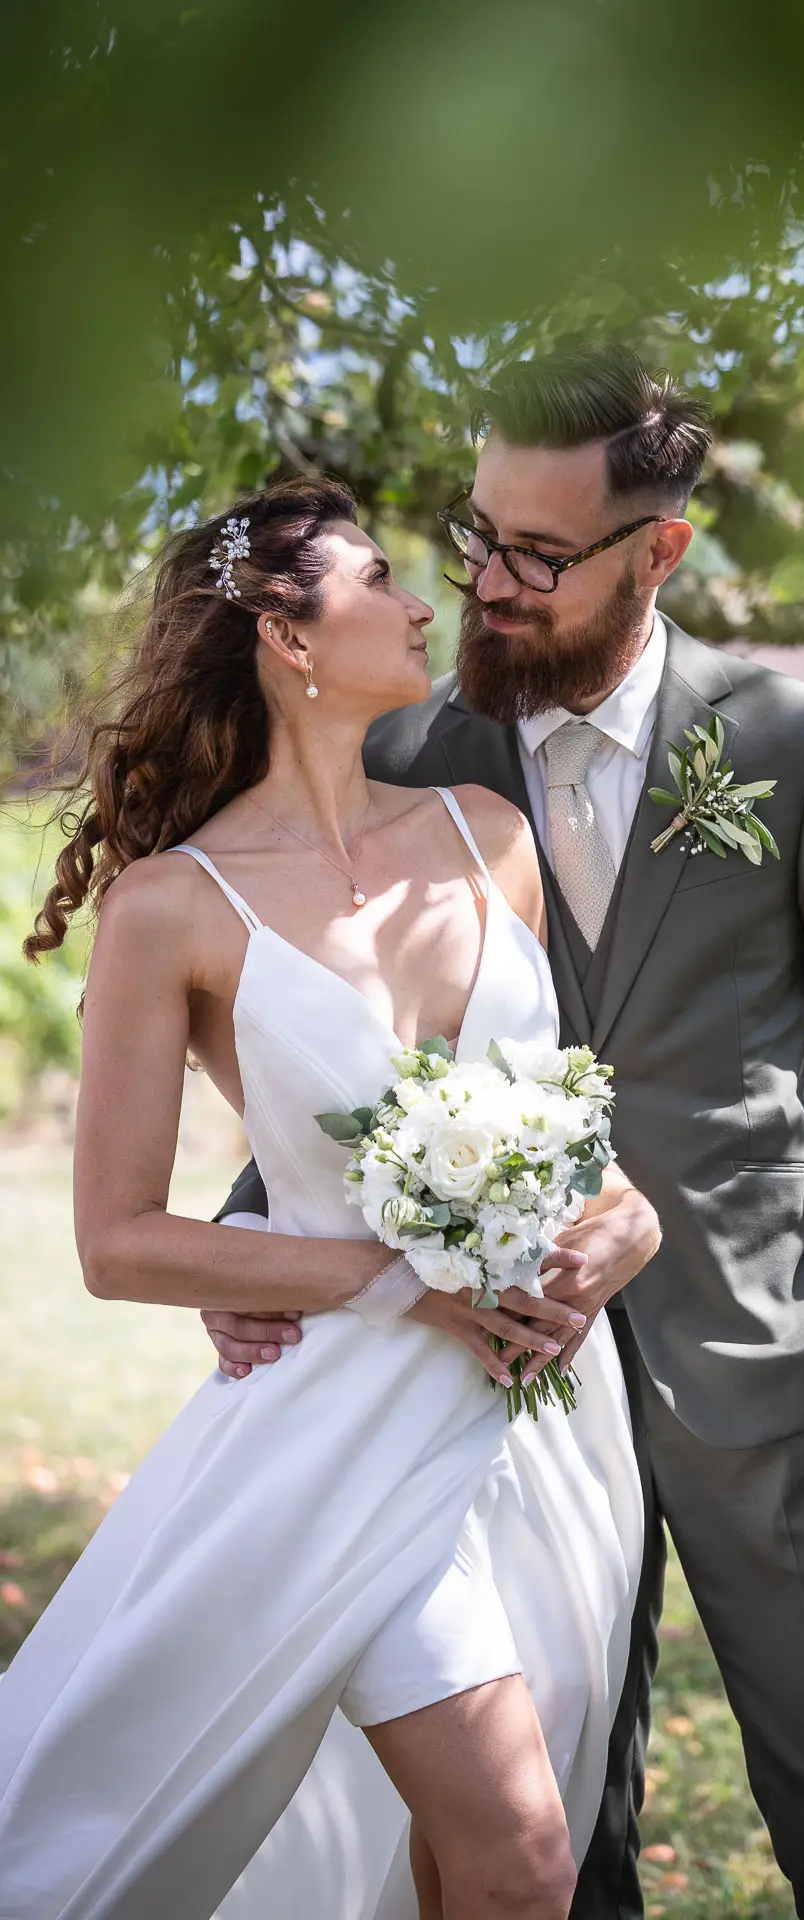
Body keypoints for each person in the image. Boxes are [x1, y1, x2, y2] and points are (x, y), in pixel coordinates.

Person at [208, 347, 804, 1920]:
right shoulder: (413, 757)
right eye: (478, 534)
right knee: (570, 1821)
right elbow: (358, 1047)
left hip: (775, 1348)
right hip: (498, 1377)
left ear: (661, 552)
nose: (490, 585)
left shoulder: (788, 743)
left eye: (542, 557)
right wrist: (256, 1234)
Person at [0, 475, 661, 1920]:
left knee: (469, 1858)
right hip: (345, 1432)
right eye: (379, 577)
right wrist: (382, 1277)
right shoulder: (173, 907)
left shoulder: (488, 838)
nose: (428, 600)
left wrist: (630, 1227)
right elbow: (117, 1243)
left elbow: (574, 1133)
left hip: (542, 1418)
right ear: (285, 636)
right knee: (525, 1855)